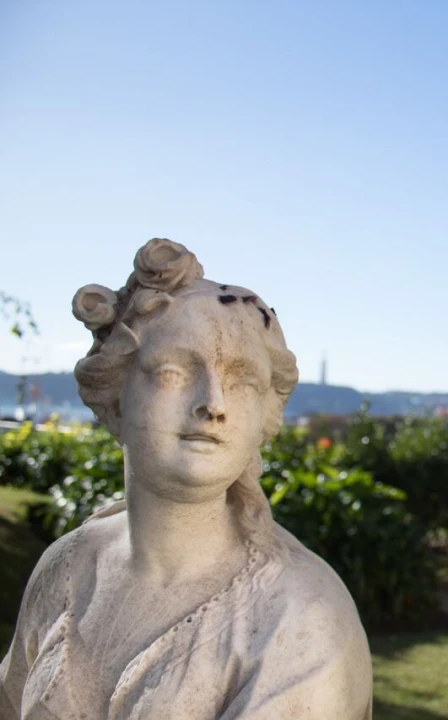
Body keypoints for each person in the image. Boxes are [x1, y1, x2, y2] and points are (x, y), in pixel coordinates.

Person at [1, 239, 373, 719]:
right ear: (114, 398)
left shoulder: (300, 614)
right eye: (174, 371)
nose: (213, 403)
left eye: (241, 381)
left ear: (265, 413)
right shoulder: (68, 565)